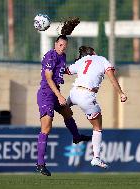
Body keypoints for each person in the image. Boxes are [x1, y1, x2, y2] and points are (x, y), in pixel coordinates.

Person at [36, 17, 90, 176]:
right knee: (46, 127)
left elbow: (62, 71)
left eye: (64, 46)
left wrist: (77, 68)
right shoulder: (50, 56)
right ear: (55, 45)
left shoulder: (62, 57)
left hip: (55, 93)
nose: (62, 47)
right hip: (47, 94)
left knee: (68, 113)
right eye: (60, 45)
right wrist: (59, 96)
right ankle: (40, 164)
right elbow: (48, 77)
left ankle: (76, 137)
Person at [66, 46, 127, 168]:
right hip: (87, 96)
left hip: (73, 93)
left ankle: (75, 135)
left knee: (62, 109)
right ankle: (96, 158)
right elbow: (112, 78)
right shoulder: (102, 59)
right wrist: (121, 93)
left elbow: (66, 71)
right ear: (93, 52)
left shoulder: (82, 61)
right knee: (97, 127)